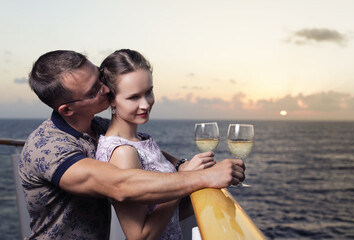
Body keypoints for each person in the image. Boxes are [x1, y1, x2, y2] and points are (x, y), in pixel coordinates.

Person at [19, 50, 246, 240]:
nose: (107, 89)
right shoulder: (48, 149)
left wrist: (179, 164)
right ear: (67, 110)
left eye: (100, 78)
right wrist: (200, 177)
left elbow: (143, 149)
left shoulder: (96, 125)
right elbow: (120, 184)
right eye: (95, 90)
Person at [96, 49, 215, 240]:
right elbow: (139, 236)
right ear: (111, 100)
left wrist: (203, 182)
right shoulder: (122, 152)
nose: (145, 104)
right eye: (133, 97)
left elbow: (168, 214)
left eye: (148, 92)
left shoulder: (141, 139)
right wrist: (186, 180)